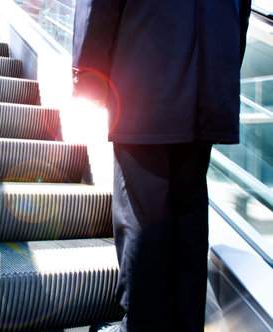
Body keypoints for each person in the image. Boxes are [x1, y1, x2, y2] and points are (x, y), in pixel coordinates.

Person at [72, 1, 252, 331]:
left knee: (143, 217)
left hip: (144, 77)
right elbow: (242, 12)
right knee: (190, 215)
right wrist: (220, 75)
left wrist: (88, 75)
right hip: (209, 85)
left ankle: (141, 325)